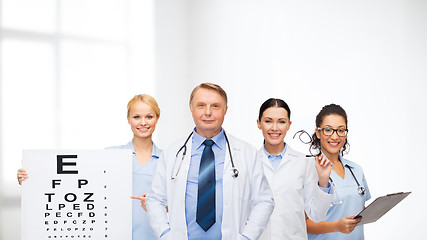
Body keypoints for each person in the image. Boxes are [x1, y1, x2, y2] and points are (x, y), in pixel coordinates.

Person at [17, 94, 162, 240]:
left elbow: (178, 204)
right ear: (128, 119)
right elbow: (75, 184)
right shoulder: (111, 155)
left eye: (149, 117)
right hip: (113, 234)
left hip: (154, 234)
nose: (143, 122)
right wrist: (32, 177)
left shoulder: (167, 160)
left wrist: (156, 206)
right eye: (136, 117)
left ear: (157, 118)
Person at [146, 83, 274, 240]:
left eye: (215, 106)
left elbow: (264, 201)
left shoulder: (246, 152)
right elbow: (154, 199)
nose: (208, 112)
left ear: (225, 110)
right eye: (201, 106)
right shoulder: (172, 152)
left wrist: (247, 237)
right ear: (191, 109)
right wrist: (165, 234)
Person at [256, 98, 333, 240]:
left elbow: (316, 214)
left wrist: (323, 181)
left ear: (289, 125)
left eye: (281, 121)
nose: (274, 128)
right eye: (268, 121)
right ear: (259, 123)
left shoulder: (304, 162)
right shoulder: (249, 162)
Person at [306, 104, 371, 240]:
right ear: (318, 133)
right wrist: (336, 226)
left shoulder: (356, 170)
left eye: (341, 130)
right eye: (328, 130)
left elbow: (359, 208)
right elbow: (304, 222)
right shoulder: (307, 169)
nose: (335, 137)